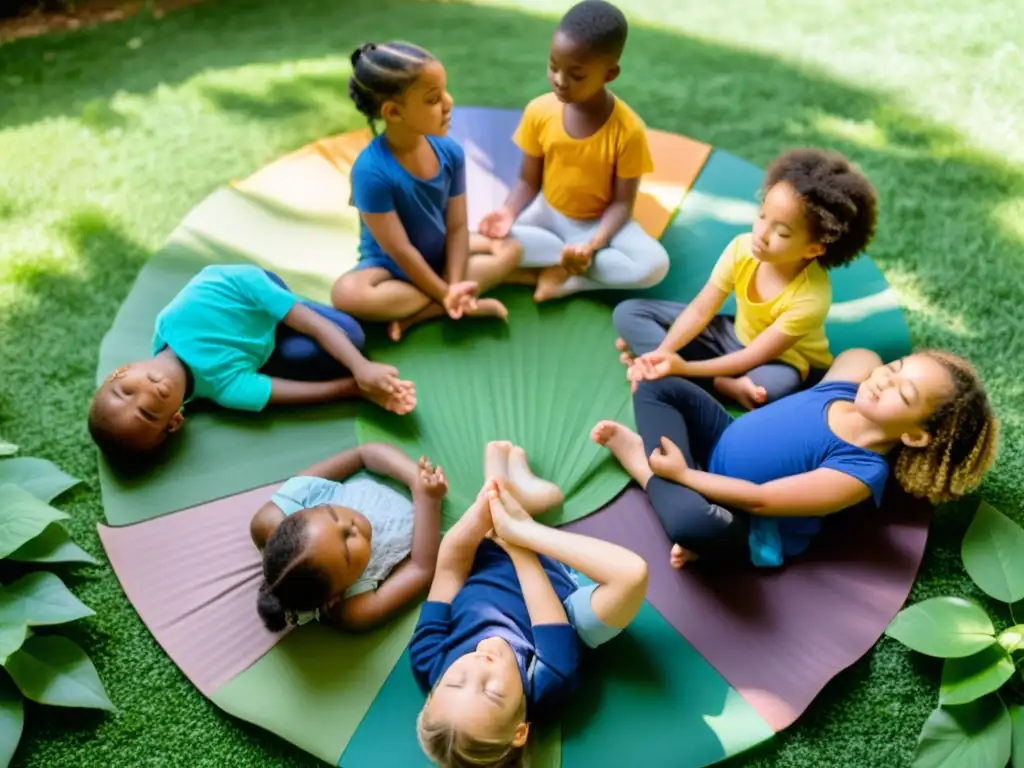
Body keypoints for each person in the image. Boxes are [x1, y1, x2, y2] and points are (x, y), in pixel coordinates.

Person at [593, 348, 999, 569]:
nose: (884, 381)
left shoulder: (860, 471)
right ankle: (670, 480)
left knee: (693, 523)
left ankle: (647, 469)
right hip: (721, 438)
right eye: (894, 369)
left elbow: (760, 499)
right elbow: (861, 355)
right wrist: (883, 369)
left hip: (747, 518)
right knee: (657, 384)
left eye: (902, 394)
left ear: (912, 434)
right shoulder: (843, 389)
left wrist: (684, 475)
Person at [411, 442, 648, 767]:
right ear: (520, 731)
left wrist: (486, 505)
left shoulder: (428, 660)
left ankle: (509, 486)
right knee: (632, 577)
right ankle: (520, 503)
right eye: (492, 692)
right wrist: (518, 537)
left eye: (455, 681)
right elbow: (547, 613)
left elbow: (450, 566)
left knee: (515, 497)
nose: (479, 667)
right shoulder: (548, 681)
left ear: (434, 691)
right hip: (556, 594)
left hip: (487, 557)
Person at [617, 148, 879, 409]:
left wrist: (683, 367)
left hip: (781, 360)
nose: (761, 234)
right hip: (731, 333)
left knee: (771, 390)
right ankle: (701, 378)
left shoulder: (811, 298)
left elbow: (754, 355)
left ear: (814, 249)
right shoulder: (741, 248)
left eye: (782, 233)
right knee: (629, 313)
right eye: (762, 215)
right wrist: (663, 352)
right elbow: (699, 311)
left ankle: (694, 379)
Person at [88, 265, 414, 463]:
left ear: (122, 370)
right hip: (266, 343)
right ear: (174, 422)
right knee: (326, 352)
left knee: (350, 336)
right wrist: (359, 389)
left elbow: (310, 323)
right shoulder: (226, 389)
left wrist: (361, 367)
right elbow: (301, 394)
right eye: (147, 413)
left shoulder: (178, 317)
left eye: (126, 390)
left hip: (258, 291)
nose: (146, 395)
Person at [477, 0, 669, 302]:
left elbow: (622, 205)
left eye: (576, 75)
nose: (560, 81)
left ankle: (569, 278)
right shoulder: (539, 111)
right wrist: (508, 212)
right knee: (486, 239)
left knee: (654, 266)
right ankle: (557, 266)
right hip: (545, 215)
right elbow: (529, 180)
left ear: (610, 74)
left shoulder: (628, 130)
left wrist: (592, 245)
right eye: (553, 67)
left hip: (597, 227)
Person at [331, 41, 522, 342]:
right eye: (433, 99)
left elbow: (458, 226)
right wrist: (447, 291)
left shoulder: (450, 152)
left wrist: (454, 285)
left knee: (511, 247)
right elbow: (401, 251)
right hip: (391, 267)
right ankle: (456, 299)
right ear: (394, 112)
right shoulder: (370, 172)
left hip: (444, 254)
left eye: (444, 91)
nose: (449, 102)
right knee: (346, 294)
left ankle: (423, 313)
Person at [250, 443, 444, 631]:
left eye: (332, 514)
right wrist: (427, 498)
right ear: (337, 596)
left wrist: (415, 477)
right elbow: (422, 567)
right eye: (348, 545)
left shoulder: (296, 502)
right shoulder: (355, 610)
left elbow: (363, 454)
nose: (350, 523)